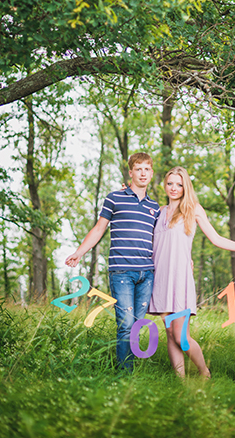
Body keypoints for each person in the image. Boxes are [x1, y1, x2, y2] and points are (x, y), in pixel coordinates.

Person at [149, 166, 235, 378]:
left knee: (181, 336)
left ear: (186, 187)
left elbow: (216, 238)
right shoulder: (159, 212)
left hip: (180, 279)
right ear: (165, 185)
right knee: (169, 333)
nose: (174, 188)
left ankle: (204, 373)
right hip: (161, 279)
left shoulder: (193, 209)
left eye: (179, 184)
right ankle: (180, 382)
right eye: (170, 183)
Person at [65, 152, 159, 372]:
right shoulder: (114, 198)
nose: (143, 173)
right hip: (122, 272)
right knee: (125, 325)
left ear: (151, 173)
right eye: (138, 169)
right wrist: (79, 252)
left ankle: (131, 372)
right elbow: (99, 229)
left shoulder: (154, 207)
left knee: (136, 326)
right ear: (131, 172)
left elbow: (162, 238)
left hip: (147, 273)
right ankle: (124, 376)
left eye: (147, 169)